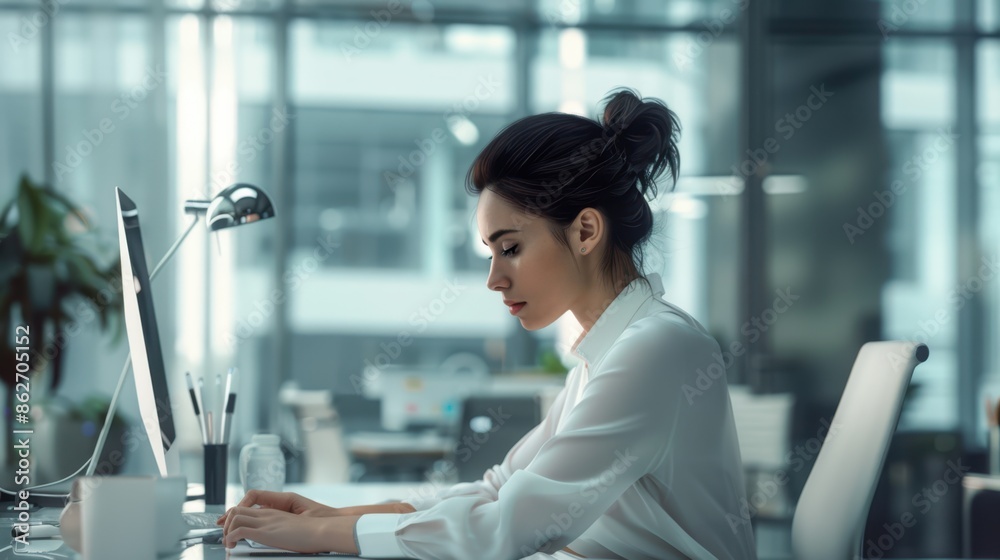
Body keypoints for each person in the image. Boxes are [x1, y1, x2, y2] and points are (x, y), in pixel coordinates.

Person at [218, 88, 757, 560]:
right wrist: (327, 517)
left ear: (586, 230)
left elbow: (510, 527)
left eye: (512, 248)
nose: (494, 279)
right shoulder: (607, 358)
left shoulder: (657, 349)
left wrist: (332, 534)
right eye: (490, 253)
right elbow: (499, 490)